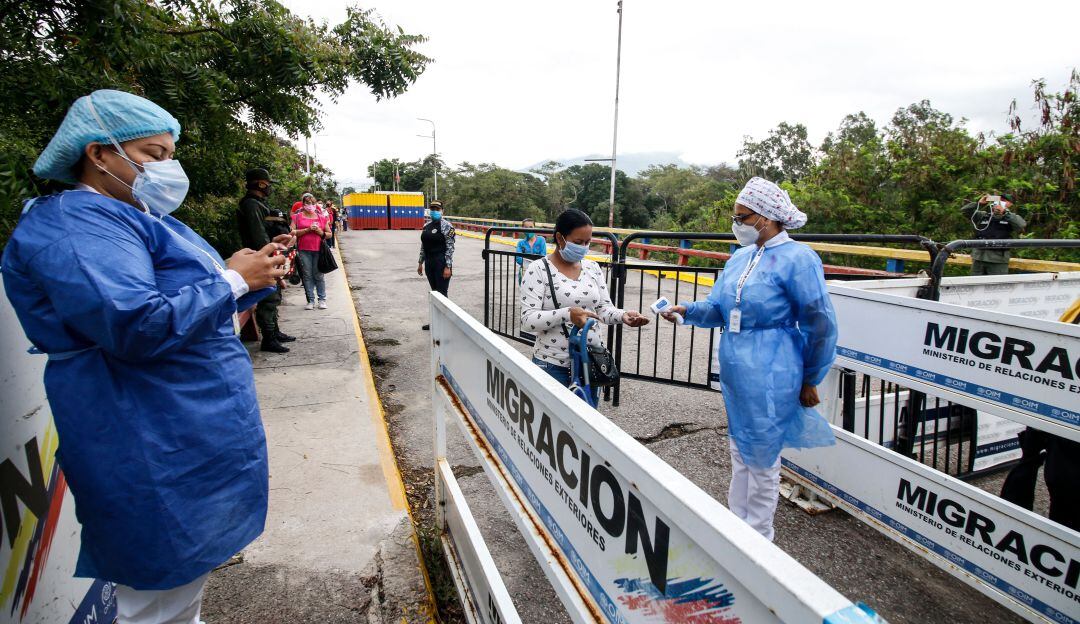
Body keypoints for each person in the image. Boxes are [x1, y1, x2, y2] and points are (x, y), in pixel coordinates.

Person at [2, 89, 286, 623]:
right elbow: (133, 323)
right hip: (146, 428)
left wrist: (247, 276)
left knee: (180, 587)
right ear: (99, 154)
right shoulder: (77, 222)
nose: (168, 167)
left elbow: (188, 300)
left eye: (170, 155)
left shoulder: (141, 217)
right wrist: (230, 279)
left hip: (187, 424)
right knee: (152, 593)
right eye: (154, 154)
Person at [661, 177, 838, 541]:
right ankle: (735, 527)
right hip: (737, 369)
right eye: (736, 216)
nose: (737, 223)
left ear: (769, 217)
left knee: (762, 454)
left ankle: (758, 537)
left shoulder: (798, 259)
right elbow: (719, 309)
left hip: (773, 369)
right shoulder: (741, 257)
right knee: (740, 446)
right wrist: (687, 310)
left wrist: (810, 377)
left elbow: (820, 323)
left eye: (744, 217)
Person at [520, 209, 648, 404]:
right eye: (578, 242)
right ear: (560, 238)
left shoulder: (592, 268)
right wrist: (567, 314)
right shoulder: (537, 270)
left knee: (585, 429)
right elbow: (528, 321)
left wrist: (623, 316)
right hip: (552, 365)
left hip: (589, 363)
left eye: (588, 242)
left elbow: (604, 309)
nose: (584, 248)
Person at [237, 167, 295, 353]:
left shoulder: (258, 204)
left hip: (267, 255)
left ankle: (275, 332)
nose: (269, 188)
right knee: (268, 298)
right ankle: (269, 339)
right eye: (268, 184)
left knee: (274, 295)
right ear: (261, 184)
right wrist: (270, 253)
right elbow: (258, 236)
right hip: (260, 256)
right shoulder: (252, 205)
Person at [961, 193, 1026, 275]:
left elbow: (1021, 225)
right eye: (998, 199)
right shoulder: (983, 215)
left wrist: (1004, 212)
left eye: (1003, 200)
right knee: (976, 285)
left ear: (1010, 204)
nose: (999, 202)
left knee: (996, 286)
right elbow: (965, 211)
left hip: (997, 259)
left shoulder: (1012, 218)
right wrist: (979, 204)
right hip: (978, 258)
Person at [418, 200, 455, 330]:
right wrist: (420, 262)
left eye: (437, 209)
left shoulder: (447, 226)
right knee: (434, 293)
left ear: (442, 211)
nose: (434, 211)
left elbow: (450, 248)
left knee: (442, 294)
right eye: (432, 208)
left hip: (441, 263)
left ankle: (445, 323)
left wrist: (448, 266)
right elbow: (424, 245)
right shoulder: (426, 226)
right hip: (429, 262)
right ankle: (435, 322)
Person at [291, 194, 332, 310]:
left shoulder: (321, 218)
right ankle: (310, 300)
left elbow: (329, 234)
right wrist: (307, 230)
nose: (310, 206)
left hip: (319, 250)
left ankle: (322, 299)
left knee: (318, 274)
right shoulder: (297, 217)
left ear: (316, 205)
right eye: (307, 203)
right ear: (303, 204)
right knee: (307, 275)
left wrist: (320, 232)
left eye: (313, 203)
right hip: (303, 250)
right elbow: (292, 232)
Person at [515, 218, 547, 282]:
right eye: (526, 227)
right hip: (524, 271)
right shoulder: (520, 243)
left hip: (538, 271)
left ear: (534, 227)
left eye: (531, 227)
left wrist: (529, 263)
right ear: (523, 229)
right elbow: (518, 258)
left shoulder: (541, 240)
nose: (529, 229)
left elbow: (542, 255)